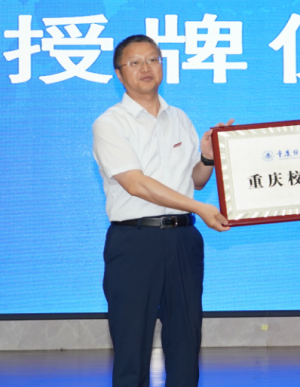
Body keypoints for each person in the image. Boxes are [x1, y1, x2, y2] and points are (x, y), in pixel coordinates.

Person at [92, 34, 232, 387]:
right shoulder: (110, 123)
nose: (146, 68)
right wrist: (200, 208)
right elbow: (136, 184)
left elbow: (194, 180)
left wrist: (208, 157)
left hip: (183, 240)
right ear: (119, 73)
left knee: (185, 341)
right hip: (135, 242)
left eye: (153, 59)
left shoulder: (179, 118)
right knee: (132, 346)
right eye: (135, 62)